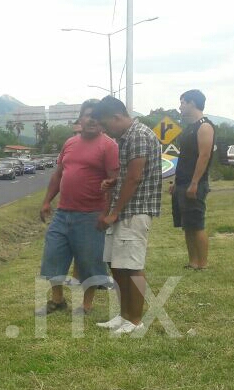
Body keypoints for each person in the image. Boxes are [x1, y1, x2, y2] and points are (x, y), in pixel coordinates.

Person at [38, 99, 119, 315]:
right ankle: (57, 300)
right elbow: (58, 175)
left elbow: (113, 182)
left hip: (91, 215)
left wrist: (106, 213)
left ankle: (86, 305)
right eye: (87, 115)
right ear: (80, 119)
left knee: (88, 260)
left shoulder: (109, 146)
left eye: (96, 116)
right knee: (53, 254)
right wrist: (47, 201)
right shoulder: (70, 143)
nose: (92, 119)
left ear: (101, 120)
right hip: (63, 212)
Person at [91, 96, 163, 336]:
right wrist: (114, 181)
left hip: (134, 211)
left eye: (106, 125)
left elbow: (135, 178)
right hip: (124, 211)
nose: (106, 130)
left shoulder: (138, 135)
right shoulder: (125, 138)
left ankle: (135, 320)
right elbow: (128, 175)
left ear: (117, 117)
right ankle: (123, 316)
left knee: (132, 267)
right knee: (117, 265)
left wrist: (114, 213)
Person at [172, 89, 216, 270]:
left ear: (192, 103)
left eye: (183, 102)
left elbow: (203, 156)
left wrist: (195, 182)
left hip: (195, 183)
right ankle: (193, 261)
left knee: (197, 224)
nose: (180, 106)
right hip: (182, 182)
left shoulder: (204, 126)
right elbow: (185, 157)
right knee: (187, 224)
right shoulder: (189, 127)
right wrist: (176, 182)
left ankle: (203, 263)